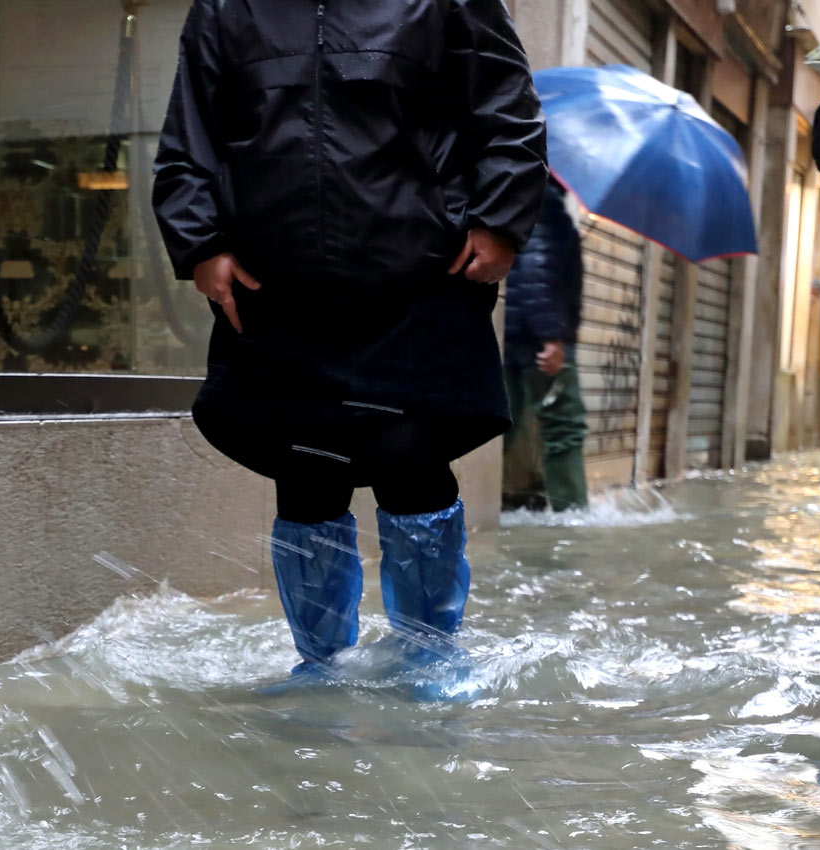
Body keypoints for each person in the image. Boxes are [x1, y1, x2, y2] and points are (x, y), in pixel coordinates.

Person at [153, 0, 546, 699]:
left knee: (406, 454)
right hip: (278, 284)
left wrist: (498, 222)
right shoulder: (225, 7)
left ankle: (428, 652)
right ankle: (320, 666)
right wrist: (200, 241)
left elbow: (506, 113)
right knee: (306, 467)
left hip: (419, 271)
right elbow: (191, 134)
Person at [502, 183, 588, 513]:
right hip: (538, 341)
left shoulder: (521, 198)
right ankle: (573, 514)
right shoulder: (546, 205)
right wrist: (552, 338)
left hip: (511, 335)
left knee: (501, 427)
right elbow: (537, 270)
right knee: (565, 424)